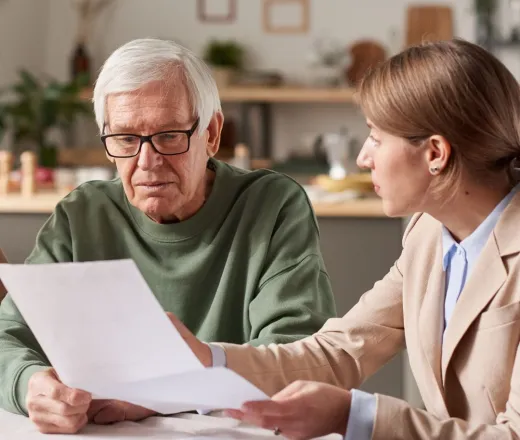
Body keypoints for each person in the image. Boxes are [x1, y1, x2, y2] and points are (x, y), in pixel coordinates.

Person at [170, 38, 520, 439]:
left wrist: (359, 417)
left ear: (435, 154)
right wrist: (208, 360)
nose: (362, 158)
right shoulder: (428, 234)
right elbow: (340, 350)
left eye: (375, 137)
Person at [0, 38, 336, 434]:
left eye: (170, 135)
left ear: (211, 133)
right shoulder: (81, 214)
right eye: (125, 139)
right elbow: (7, 337)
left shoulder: (272, 205)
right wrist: (30, 386)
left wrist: (157, 396)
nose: (147, 162)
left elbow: (297, 355)